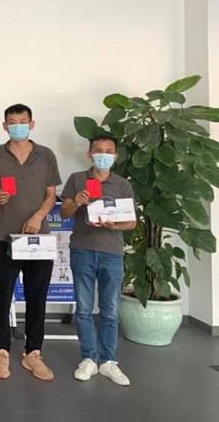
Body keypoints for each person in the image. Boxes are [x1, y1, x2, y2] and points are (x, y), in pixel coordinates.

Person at [0, 104, 61, 381]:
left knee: (37, 298)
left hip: (39, 238)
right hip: (5, 237)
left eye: (22, 121)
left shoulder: (46, 155)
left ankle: (33, 353)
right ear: (4, 126)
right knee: (3, 297)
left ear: (31, 124)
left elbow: (51, 195)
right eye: (12, 122)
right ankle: (1, 352)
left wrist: (38, 217)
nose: (17, 126)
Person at [60, 133, 136, 386]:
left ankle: (108, 361)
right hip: (82, 250)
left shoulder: (122, 184)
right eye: (98, 151)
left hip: (112, 252)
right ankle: (88, 358)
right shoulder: (77, 179)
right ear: (89, 154)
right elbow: (64, 213)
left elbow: (131, 222)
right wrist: (76, 202)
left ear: (115, 156)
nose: (103, 155)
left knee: (110, 310)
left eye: (109, 151)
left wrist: (114, 225)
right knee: (83, 309)